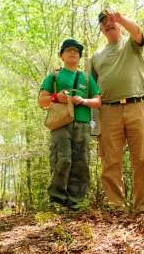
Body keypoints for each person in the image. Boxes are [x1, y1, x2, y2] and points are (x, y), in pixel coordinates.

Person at [90, 9, 144, 214]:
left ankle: (143, 208)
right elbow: (93, 91)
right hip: (108, 112)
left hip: (137, 107)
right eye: (104, 23)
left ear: (118, 24)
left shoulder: (130, 45)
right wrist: (94, 125)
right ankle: (116, 206)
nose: (108, 24)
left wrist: (121, 18)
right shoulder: (96, 57)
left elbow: (137, 32)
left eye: (111, 21)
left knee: (142, 159)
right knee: (110, 161)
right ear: (101, 29)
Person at [38, 39, 101, 211]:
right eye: (69, 50)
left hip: (83, 124)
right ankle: (56, 200)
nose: (73, 53)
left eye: (76, 51)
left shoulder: (86, 78)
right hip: (61, 123)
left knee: (81, 162)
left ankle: (76, 202)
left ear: (79, 56)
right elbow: (42, 101)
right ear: (62, 55)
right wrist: (55, 97)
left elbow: (98, 101)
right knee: (62, 159)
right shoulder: (55, 76)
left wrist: (83, 100)